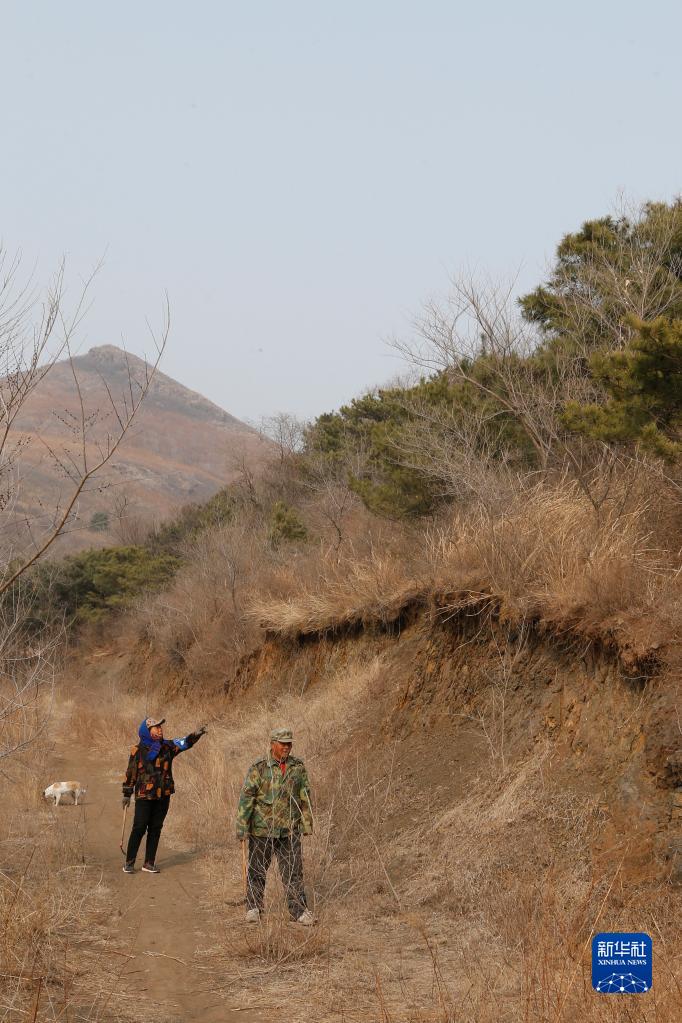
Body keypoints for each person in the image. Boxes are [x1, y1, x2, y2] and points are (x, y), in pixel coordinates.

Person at [236, 727, 314, 924]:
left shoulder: (297, 767)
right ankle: (253, 908)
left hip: (289, 830)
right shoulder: (259, 767)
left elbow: (305, 795)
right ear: (272, 744)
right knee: (257, 870)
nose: (286, 747)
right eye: (282, 744)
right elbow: (247, 797)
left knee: (294, 872)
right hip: (262, 829)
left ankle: (299, 911)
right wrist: (242, 826)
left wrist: (306, 823)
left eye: (289, 744)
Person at [121, 716, 206, 874]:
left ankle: (149, 863)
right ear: (147, 731)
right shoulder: (137, 750)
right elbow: (131, 772)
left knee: (156, 828)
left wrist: (195, 735)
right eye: (156, 727)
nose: (160, 730)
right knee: (139, 827)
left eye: (160, 727)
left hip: (163, 795)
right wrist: (127, 793)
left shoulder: (168, 746)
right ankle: (129, 862)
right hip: (144, 795)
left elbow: (184, 743)